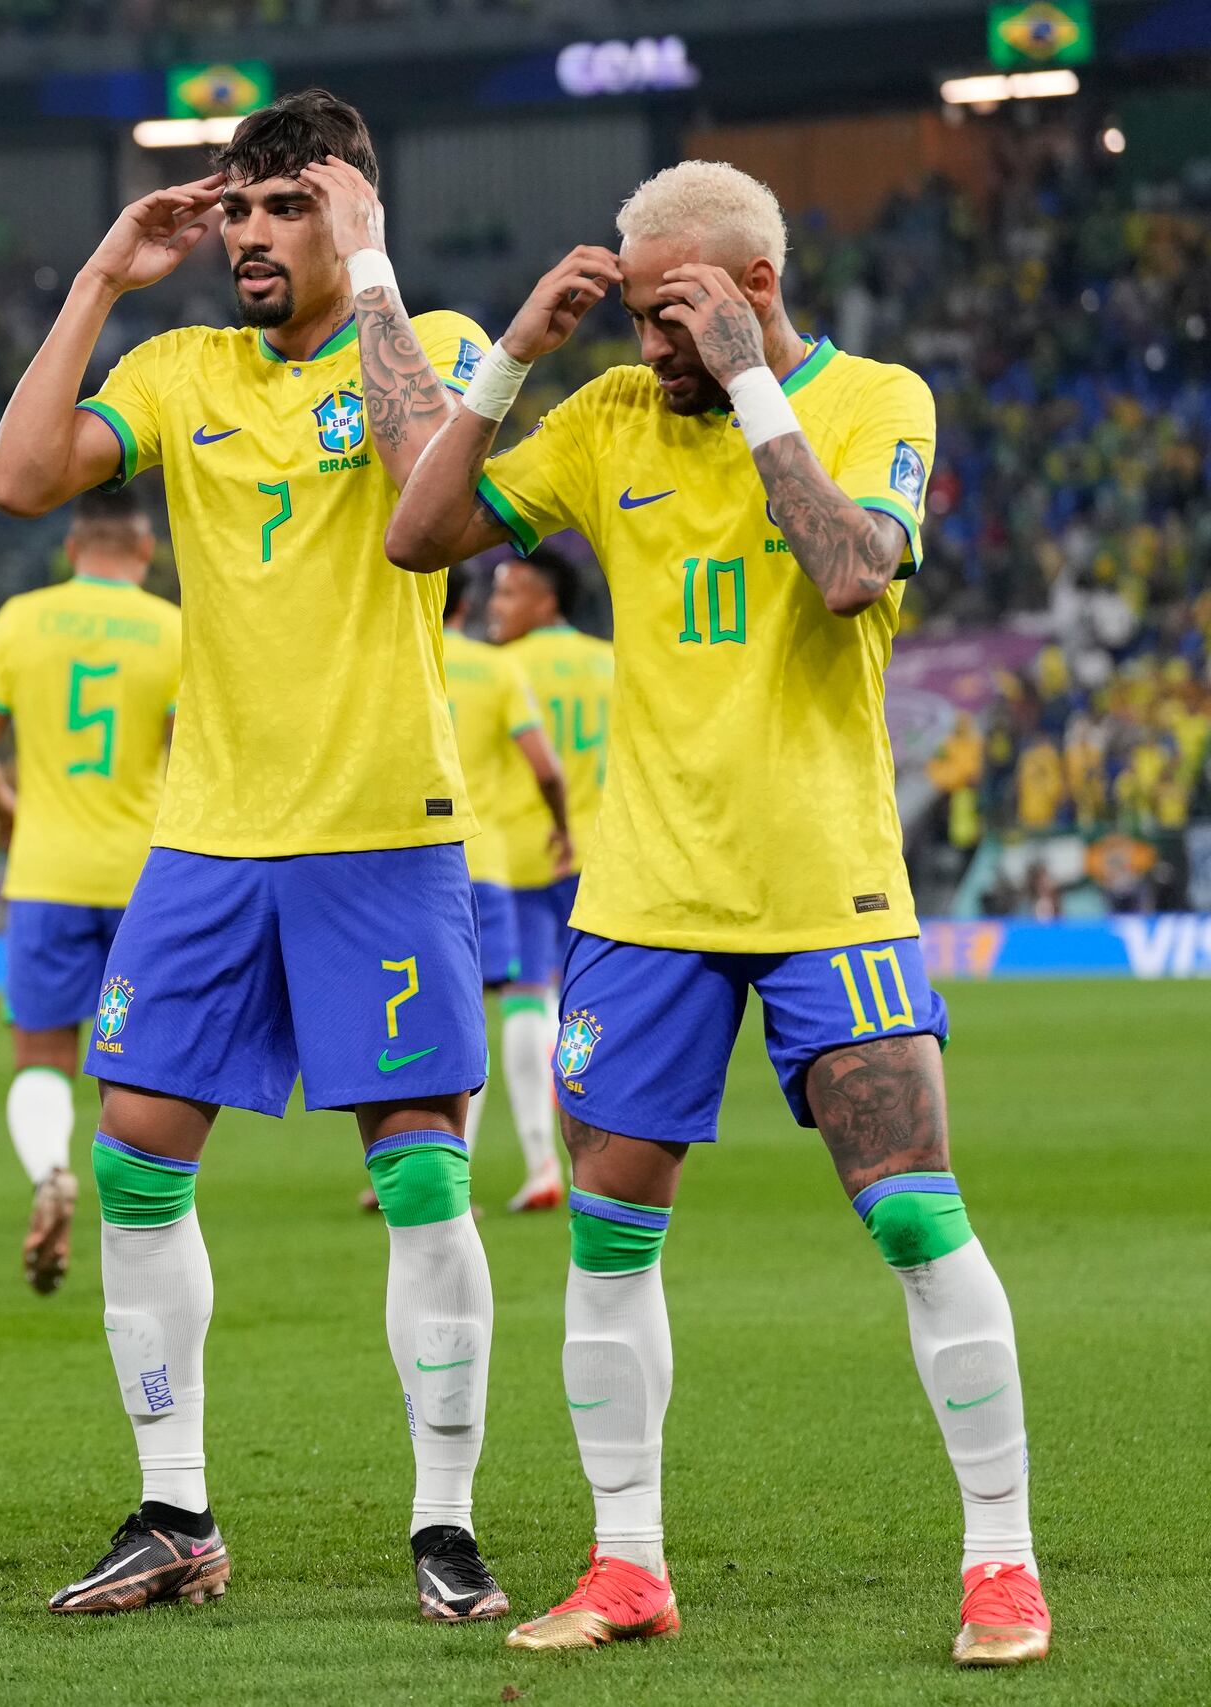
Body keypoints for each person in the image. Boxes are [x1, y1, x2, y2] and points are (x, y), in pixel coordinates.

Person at [385, 159, 1048, 1667]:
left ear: (754, 286)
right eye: (632, 311)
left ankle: (1002, 1564)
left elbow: (847, 572)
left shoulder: (878, 397)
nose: (650, 342)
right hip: (644, 898)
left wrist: (757, 393)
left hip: (830, 885)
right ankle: (628, 1562)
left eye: (672, 310)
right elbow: (417, 539)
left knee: (917, 1215)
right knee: (610, 1245)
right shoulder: (606, 415)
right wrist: (513, 360)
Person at [0, 89, 512, 1624]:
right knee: (136, 1157)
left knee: (420, 1178)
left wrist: (383, 277)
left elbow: (442, 494)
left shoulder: (444, 342)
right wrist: (99, 279)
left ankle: (444, 1523)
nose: (251, 237)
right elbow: (19, 479)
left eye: (289, 208)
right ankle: (174, 1510)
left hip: (379, 828)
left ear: (353, 212)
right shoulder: (179, 367)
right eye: (239, 211)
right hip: (207, 838)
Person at [0, 487, 182, 1294]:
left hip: (46, 872)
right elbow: (194, 756)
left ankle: (51, 1169)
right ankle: (143, 1223)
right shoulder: (172, 629)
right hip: (145, 880)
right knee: (142, 1063)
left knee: (42, 1056)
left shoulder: (22, 619)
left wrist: (9, 813)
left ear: (71, 549)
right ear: (145, 550)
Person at [483, 548, 613, 1210]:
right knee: (585, 1008)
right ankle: (599, 1153)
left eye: (507, 595)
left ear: (544, 600)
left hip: (524, 856)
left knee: (524, 1001)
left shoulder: (499, 669)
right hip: (605, 858)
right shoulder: (612, 663)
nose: (494, 609)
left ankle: (542, 1160)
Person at [439, 575, 573, 1190]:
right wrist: (564, 825)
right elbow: (548, 767)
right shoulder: (496, 670)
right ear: (463, 601)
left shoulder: (392, 662)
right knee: (522, 998)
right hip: (500, 859)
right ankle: (544, 1159)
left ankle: (429, 1165)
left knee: (424, 1017)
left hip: (405, 865)